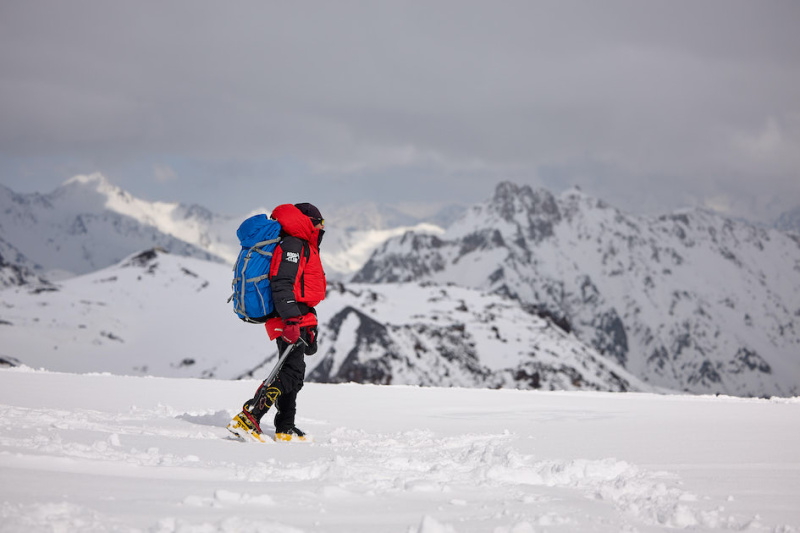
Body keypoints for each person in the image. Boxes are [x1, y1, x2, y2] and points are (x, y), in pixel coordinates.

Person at [227, 202, 326, 442]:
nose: (323, 228)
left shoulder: (301, 244)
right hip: (288, 315)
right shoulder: (293, 245)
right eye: (320, 223)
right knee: (291, 372)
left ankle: (285, 426)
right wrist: (291, 320)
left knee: (293, 372)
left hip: (297, 314)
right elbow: (282, 283)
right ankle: (250, 415)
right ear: (310, 222)